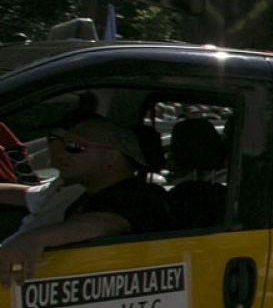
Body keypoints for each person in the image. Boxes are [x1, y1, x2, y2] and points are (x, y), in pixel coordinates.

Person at [0, 116, 168, 286]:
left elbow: (107, 222)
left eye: (74, 147)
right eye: (53, 142)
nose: (57, 154)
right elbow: (27, 194)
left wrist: (32, 240)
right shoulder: (78, 189)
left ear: (110, 157)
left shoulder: (139, 195)